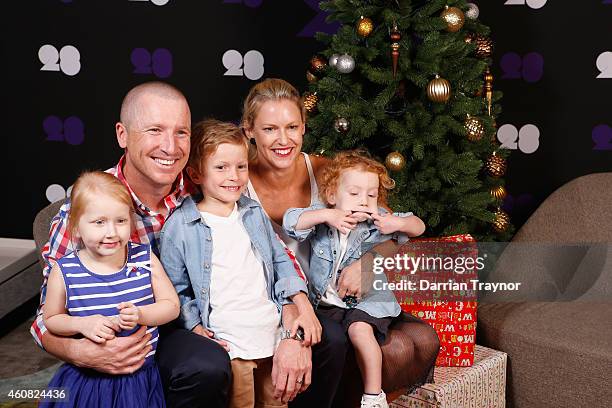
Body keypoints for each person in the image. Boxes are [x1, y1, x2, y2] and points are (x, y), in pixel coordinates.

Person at [32, 81, 233, 407]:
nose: (171, 147)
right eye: (155, 130)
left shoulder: (204, 188)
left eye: (181, 132)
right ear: (122, 135)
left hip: (183, 323)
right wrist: (82, 352)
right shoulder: (87, 211)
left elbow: (262, 243)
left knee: (205, 365)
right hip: (115, 332)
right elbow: (45, 319)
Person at [241, 78, 440, 406]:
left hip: (338, 296)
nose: (283, 139)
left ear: (304, 127)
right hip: (285, 300)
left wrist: (368, 263)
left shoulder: (322, 170)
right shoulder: (236, 177)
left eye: (292, 126)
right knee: (359, 342)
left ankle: (370, 399)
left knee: (419, 340)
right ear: (249, 130)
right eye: (269, 129)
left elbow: (388, 228)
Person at [159, 119, 322, 408]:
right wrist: (195, 327)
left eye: (241, 166)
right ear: (196, 174)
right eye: (221, 168)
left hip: (271, 336)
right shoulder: (180, 226)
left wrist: (297, 304)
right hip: (231, 344)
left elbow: (280, 260)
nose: (233, 176)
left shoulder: (252, 213)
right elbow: (176, 289)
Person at [283, 150, 426, 408]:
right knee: (331, 339)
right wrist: (327, 215)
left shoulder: (378, 220)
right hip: (329, 305)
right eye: (354, 193)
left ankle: (373, 397)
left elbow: (418, 226)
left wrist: (396, 223)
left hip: (368, 302)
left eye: (371, 195)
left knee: (360, 331)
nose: (363, 201)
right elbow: (291, 222)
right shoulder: (324, 217)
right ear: (331, 196)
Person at [40, 171, 180, 407]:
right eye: (99, 222)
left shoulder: (144, 259)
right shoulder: (65, 271)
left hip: (141, 378)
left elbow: (172, 306)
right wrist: (81, 324)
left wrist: (141, 314)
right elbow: (51, 318)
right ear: (76, 227)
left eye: (121, 221)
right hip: (87, 381)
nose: (111, 232)